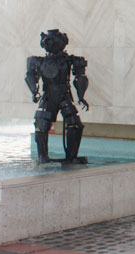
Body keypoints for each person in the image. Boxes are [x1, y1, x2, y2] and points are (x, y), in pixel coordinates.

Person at [24, 29, 89, 164]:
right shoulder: (37, 61)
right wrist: (34, 91)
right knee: (41, 124)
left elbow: (80, 78)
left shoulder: (70, 60)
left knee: (75, 125)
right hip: (48, 96)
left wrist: (81, 96)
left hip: (64, 95)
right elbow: (30, 76)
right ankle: (42, 156)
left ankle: (71, 156)